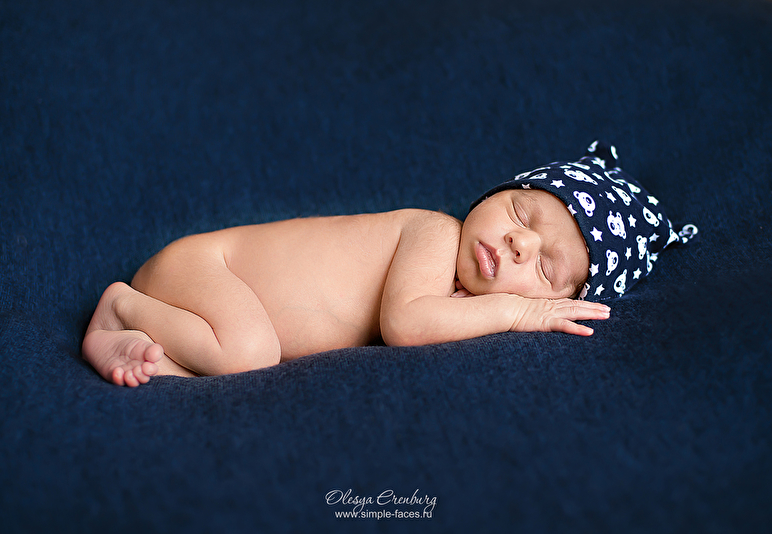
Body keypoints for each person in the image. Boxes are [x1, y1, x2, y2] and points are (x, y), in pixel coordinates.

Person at [82, 141, 696, 386]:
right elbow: (405, 323)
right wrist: (517, 312)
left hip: (203, 309)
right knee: (250, 353)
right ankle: (121, 306)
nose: (519, 243)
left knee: (212, 369)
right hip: (205, 268)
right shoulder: (435, 231)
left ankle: (145, 343)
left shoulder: (453, 300)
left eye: (543, 268)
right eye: (520, 212)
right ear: (494, 194)